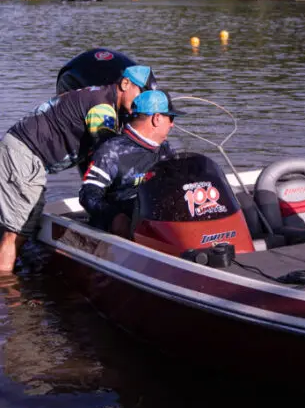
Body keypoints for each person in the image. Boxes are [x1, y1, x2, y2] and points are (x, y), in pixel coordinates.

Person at [0, 65, 158, 272]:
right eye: (142, 93)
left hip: (22, 151)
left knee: (22, 221)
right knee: (18, 230)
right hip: (24, 154)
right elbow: (109, 153)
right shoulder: (102, 108)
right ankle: (7, 290)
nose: (142, 100)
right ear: (125, 84)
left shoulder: (102, 98)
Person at [79, 90, 184, 238]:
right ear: (157, 118)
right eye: (171, 118)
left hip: (158, 222)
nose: (172, 125)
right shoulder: (111, 151)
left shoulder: (165, 148)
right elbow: (88, 195)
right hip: (124, 233)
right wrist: (114, 217)